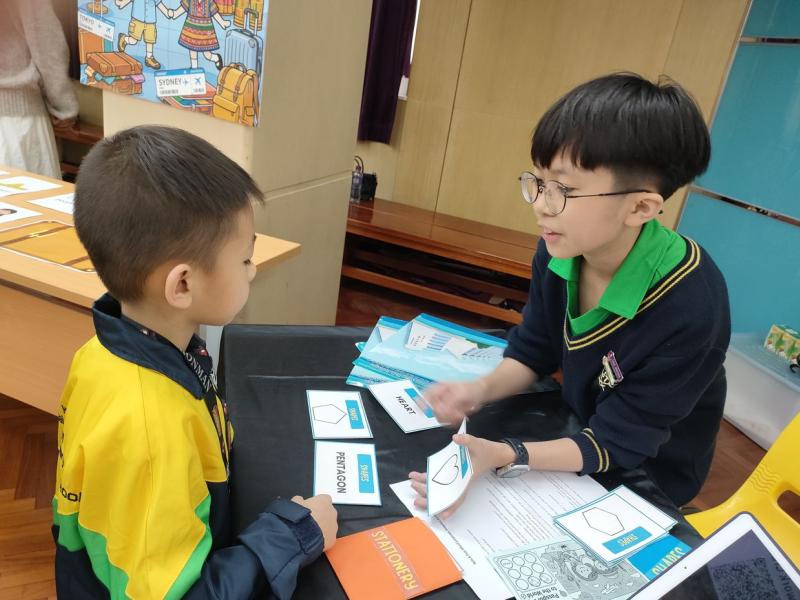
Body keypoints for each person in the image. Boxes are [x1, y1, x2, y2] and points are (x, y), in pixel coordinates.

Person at [411, 73, 730, 512]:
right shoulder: (559, 250)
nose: (541, 204)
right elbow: (534, 349)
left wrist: (507, 454)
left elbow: (620, 443)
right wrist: (479, 390)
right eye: (540, 183)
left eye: (564, 189)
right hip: (580, 429)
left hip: (651, 469)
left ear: (640, 207)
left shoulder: (692, 305)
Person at [53, 125, 338, 599]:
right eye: (244, 260)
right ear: (182, 284)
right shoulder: (152, 430)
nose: (252, 270)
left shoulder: (104, 350)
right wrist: (292, 535)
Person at [0, 0, 78, 179]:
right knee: (34, 193)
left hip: (15, 119)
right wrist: (64, 109)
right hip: (18, 121)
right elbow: (47, 44)